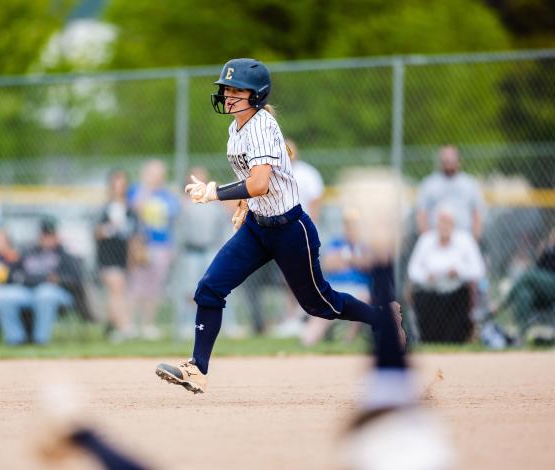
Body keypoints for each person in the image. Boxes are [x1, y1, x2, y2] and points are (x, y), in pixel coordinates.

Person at [155, 58, 404, 394]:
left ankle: (381, 317)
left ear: (255, 94)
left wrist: (215, 192)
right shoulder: (236, 128)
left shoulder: (262, 126)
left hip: (290, 229)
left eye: (236, 89)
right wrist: (243, 204)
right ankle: (197, 369)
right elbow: (253, 182)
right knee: (210, 288)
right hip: (258, 229)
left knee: (319, 304)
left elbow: (259, 183)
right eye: (225, 88)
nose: (227, 95)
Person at [0, 218, 80, 345]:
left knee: (45, 293)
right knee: (3, 296)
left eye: (51, 235)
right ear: (39, 235)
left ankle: (40, 340)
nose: (47, 238)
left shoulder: (65, 254)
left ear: (57, 236)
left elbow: (74, 279)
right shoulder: (28, 252)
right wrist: (44, 278)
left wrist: (56, 280)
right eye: (45, 235)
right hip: (28, 290)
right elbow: (14, 275)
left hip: (56, 293)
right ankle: (16, 340)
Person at [272, 138, 326, 338]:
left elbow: (315, 202)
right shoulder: (274, 173)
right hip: (283, 232)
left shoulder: (308, 173)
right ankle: (292, 317)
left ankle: (309, 315)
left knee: (307, 274)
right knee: (287, 277)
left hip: (302, 230)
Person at [407, 206, 486, 343]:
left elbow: (478, 269)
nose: (444, 226)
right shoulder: (426, 240)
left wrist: (459, 272)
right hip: (430, 294)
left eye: (448, 222)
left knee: (454, 337)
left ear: (454, 224)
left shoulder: (465, 240)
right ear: (436, 223)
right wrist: (426, 276)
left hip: (456, 295)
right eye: (441, 221)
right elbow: (413, 270)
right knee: (430, 338)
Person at [174, 166, 235, 339]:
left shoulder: (213, 200)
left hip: (211, 249)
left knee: (217, 286)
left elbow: (224, 224)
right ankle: (187, 324)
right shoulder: (184, 202)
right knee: (190, 289)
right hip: (191, 251)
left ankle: (227, 324)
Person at [301, 207, 371, 346]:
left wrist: (345, 258)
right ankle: (307, 344)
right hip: (335, 287)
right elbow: (329, 264)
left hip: (358, 289)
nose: (350, 228)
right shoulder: (336, 242)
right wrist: (354, 259)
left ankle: (347, 342)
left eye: (354, 225)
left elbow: (368, 264)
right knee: (322, 306)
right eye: (348, 225)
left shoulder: (366, 243)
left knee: (362, 299)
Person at [128, 159, 179, 340]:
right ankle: (131, 325)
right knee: (137, 285)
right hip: (141, 245)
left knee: (154, 287)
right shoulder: (136, 190)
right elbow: (135, 207)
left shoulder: (167, 195)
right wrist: (147, 188)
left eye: (159, 174)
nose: (157, 177)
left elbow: (173, 214)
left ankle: (148, 325)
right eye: (153, 173)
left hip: (161, 245)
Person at [94, 169, 139, 341]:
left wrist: (134, 256)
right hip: (107, 254)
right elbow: (95, 231)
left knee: (119, 292)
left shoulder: (129, 209)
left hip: (123, 255)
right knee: (116, 287)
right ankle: (124, 326)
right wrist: (109, 228)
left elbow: (135, 235)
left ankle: (113, 327)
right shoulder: (105, 208)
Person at [492, 226, 555, 338]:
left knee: (528, 275)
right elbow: (538, 269)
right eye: (553, 234)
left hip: (553, 287)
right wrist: (541, 253)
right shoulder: (548, 251)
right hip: (542, 289)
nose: (554, 236)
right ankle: (520, 334)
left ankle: (501, 304)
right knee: (525, 294)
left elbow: (535, 274)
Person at [415, 144, 485, 241]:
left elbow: (477, 213)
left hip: (464, 237)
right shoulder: (429, 184)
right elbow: (421, 213)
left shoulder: (469, 184)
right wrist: (426, 239)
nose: (449, 164)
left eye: (452, 160)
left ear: (459, 162)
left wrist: (474, 239)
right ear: (440, 162)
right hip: (436, 239)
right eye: (446, 161)